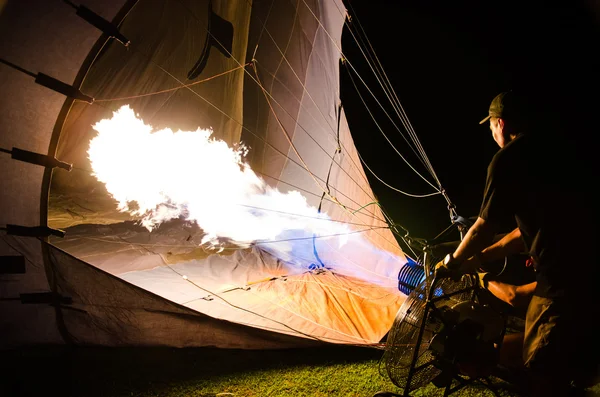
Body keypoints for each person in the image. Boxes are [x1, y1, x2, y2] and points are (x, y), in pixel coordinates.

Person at [435, 90, 599, 396]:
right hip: (586, 274)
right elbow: (529, 230)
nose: (492, 133)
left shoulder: (507, 159)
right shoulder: (557, 149)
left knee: (541, 374)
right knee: (556, 359)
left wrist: (452, 263)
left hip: (559, 285)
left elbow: (484, 226)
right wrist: (482, 256)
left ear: (501, 123)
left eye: (491, 127)